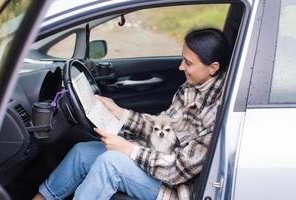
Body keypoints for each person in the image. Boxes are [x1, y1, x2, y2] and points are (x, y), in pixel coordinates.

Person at [33, 28, 231, 200]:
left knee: (110, 163)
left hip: (176, 188)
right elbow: (160, 130)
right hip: (158, 159)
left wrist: (129, 149)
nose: (181, 67)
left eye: (188, 63)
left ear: (213, 68)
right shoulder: (191, 88)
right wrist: (119, 112)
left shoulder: (218, 110)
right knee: (82, 152)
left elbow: (176, 171)